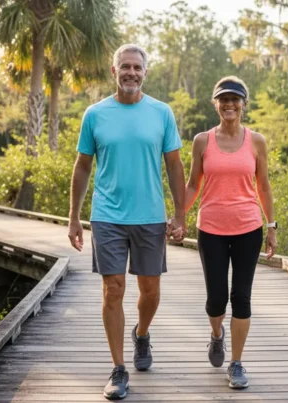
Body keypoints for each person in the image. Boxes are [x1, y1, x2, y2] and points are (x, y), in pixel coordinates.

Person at [68, 43, 186, 400]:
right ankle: (119, 369)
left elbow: (175, 166)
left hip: (150, 216)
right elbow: (83, 167)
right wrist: (73, 217)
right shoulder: (95, 114)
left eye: (137, 67)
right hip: (108, 216)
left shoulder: (162, 113)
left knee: (150, 291)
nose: (131, 73)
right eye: (125, 67)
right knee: (113, 289)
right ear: (113, 71)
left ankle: (142, 334)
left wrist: (180, 214)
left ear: (145, 72)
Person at [183, 76, 277, 389]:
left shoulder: (256, 141)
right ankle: (216, 335)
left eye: (235, 99)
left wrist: (272, 226)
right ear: (216, 104)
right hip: (210, 228)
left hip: (248, 228)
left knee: (241, 297)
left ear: (243, 104)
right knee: (216, 299)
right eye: (223, 99)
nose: (229, 104)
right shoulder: (202, 141)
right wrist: (179, 216)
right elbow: (194, 184)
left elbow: (263, 185)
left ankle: (236, 363)